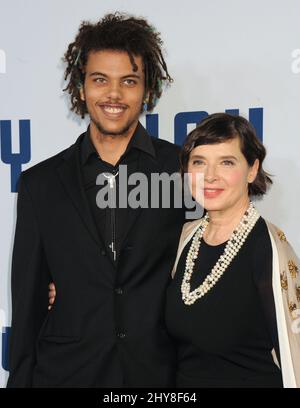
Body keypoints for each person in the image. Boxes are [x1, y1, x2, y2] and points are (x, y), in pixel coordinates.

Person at [7, 12, 186, 387]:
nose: (114, 95)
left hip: (156, 375)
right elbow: (28, 302)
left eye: (129, 81)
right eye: (100, 79)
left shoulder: (181, 169)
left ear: (147, 90)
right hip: (67, 372)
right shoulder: (41, 184)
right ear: (81, 87)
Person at [165, 113, 300, 388]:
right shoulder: (185, 238)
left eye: (226, 162)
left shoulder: (269, 246)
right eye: (199, 162)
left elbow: (294, 351)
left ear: (252, 169)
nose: (210, 176)